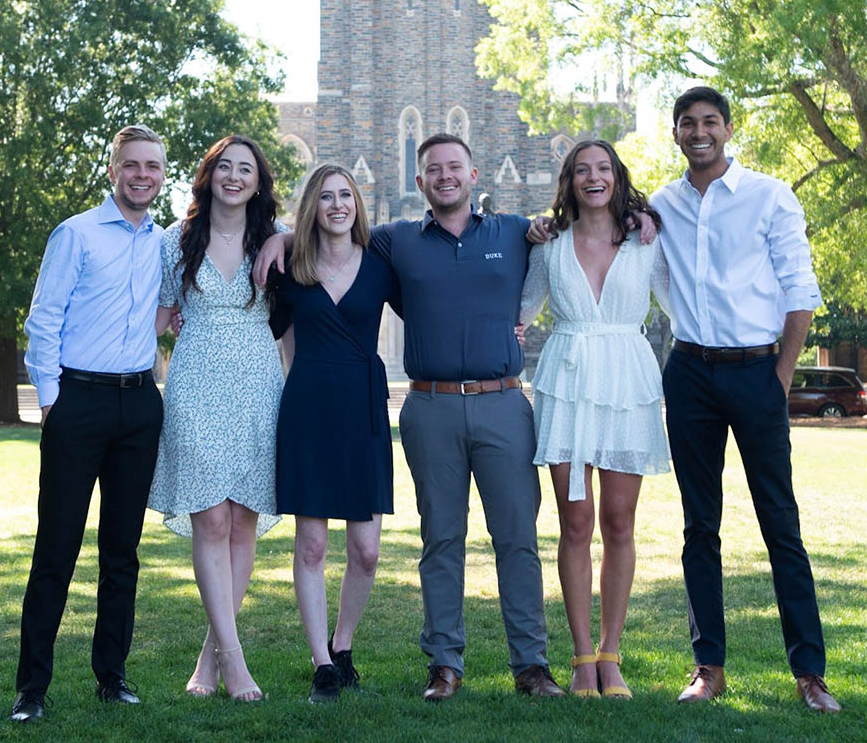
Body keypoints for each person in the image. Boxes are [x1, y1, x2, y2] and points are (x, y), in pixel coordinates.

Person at [256, 134, 567, 701]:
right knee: (440, 540)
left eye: (455, 167)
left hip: (502, 402)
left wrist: (630, 217)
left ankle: (532, 666)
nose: (445, 176)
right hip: (430, 405)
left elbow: (573, 229)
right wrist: (279, 235)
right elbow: (323, 238)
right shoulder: (393, 244)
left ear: (474, 175)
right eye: (433, 170)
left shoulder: (514, 231)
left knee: (517, 539)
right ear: (419, 181)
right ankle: (443, 665)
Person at [651, 87, 839, 712]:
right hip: (689, 373)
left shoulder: (769, 194)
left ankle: (809, 673)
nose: (699, 132)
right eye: (687, 123)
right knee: (699, 526)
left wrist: (780, 376)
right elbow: (599, 227)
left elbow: (800, 288)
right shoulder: (661, 205)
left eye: (709, 122)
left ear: (728, 129)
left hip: (757, 371)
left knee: (780, 524)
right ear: (676, 133)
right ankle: (709, 668)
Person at [14, 125, 167, 722]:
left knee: (121, 552)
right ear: (112, 171)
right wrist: (52, 401)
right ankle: (31, 689)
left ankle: (113, 676)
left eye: (152, 166)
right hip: (77, 403)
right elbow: (43, 320)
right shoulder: (74, 234)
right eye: (131, 164)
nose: (141, 175)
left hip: (138, 406)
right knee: (56, 548)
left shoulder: (166, 244)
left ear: (161, 175)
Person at [519, 140, 671, 699]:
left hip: (627, 385)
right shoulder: (549, 243)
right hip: (567, 387)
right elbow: (521, 309)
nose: (593, 177)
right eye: (582, 170)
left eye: (603, 168)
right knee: (575, 525)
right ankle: (582, 660)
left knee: (620, 522)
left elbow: (681, 305)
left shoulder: (645, 241)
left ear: (617, 176)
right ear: (569, 181)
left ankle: (612, 656)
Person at [146, 135, 284, 702]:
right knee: (212, 521)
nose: (233, 176)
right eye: (224, 166)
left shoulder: (273, 241)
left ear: (258, 181)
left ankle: (210, 657)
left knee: (242, 521)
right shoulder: (178, 241)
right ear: (208, 175)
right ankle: (236, 660)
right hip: (197, 382)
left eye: (245, 169)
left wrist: (289, 233)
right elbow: (153, 316)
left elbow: (328, 247)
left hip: (257, 383)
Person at [270, 164, 397, 703]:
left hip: (363, 409)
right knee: (314, 542)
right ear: (313, 208)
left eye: (346, 196)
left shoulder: (381, 265)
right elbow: (269, 334)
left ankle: (344, 647)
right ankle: (321, 661)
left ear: (357, 205)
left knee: (366, 549)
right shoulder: (290, 266)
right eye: (326, 197)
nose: (338, 205)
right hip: (309, 409)